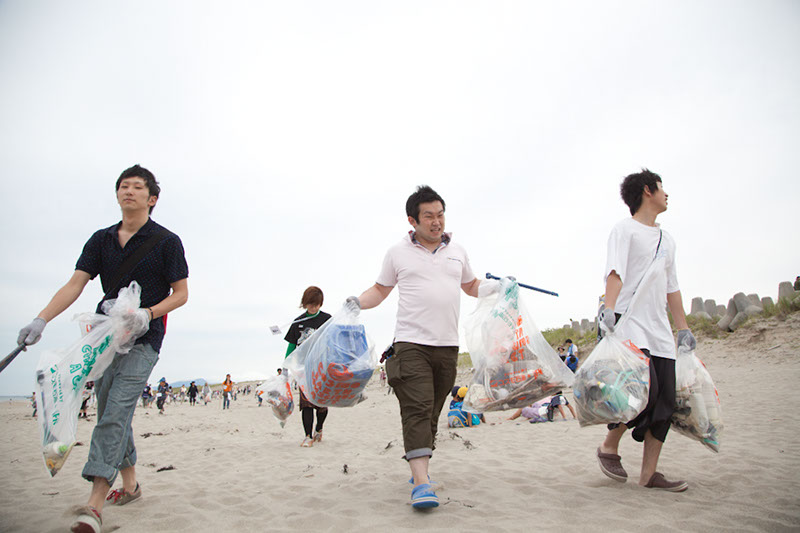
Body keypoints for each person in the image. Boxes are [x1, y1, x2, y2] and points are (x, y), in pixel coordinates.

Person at [15, 164, 189, 532]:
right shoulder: (101, 240)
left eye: (137, 187)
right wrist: (41, 320)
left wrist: (147, 313)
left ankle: (94, 505)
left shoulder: (167, 241)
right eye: (123, 186)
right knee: (109, 408)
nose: (129, 191)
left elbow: (181, 294)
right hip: (106, 338)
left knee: (116, 410)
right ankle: (131, 485)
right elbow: (75, 284)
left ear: (152, 199)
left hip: (145, 338)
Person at [348, 185, 498, 509]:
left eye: (440, 215)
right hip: (410, 343)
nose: (436, 222)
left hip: (448, 347)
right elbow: (380, 290)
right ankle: (421, 483)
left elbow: (471, 285)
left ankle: (420, 470)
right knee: (417, 408)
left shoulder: (457, 251)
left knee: (432, 413)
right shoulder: (397, 253)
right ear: (412, 220)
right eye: (428, 216)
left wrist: (497, 287)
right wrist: (356, 302)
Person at [595, 169, 695, 493]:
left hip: (660, 330)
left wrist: (683, 329)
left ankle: (649, 475)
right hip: (630, 323)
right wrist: (609, 309)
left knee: (665, 402)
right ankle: (609, 445)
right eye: (662, 187)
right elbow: (615, 272)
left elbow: (672, 287)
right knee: (641, 392)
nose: (667, 194)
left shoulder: (668, 240)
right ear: (648, 191)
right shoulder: (624, 230)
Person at [284, 286, 332, 447]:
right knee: (306, 404)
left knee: (321, 405)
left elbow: (335, 341)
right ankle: (307, 436)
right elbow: (292, 345)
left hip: (322, 369)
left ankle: (319, 428)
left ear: (320, 303)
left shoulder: (327, 320)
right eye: (310, 304)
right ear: (305, 303)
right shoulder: (298, 322)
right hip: (303, 369)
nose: (313, 307)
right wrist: (286, 366)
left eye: (316, 304)